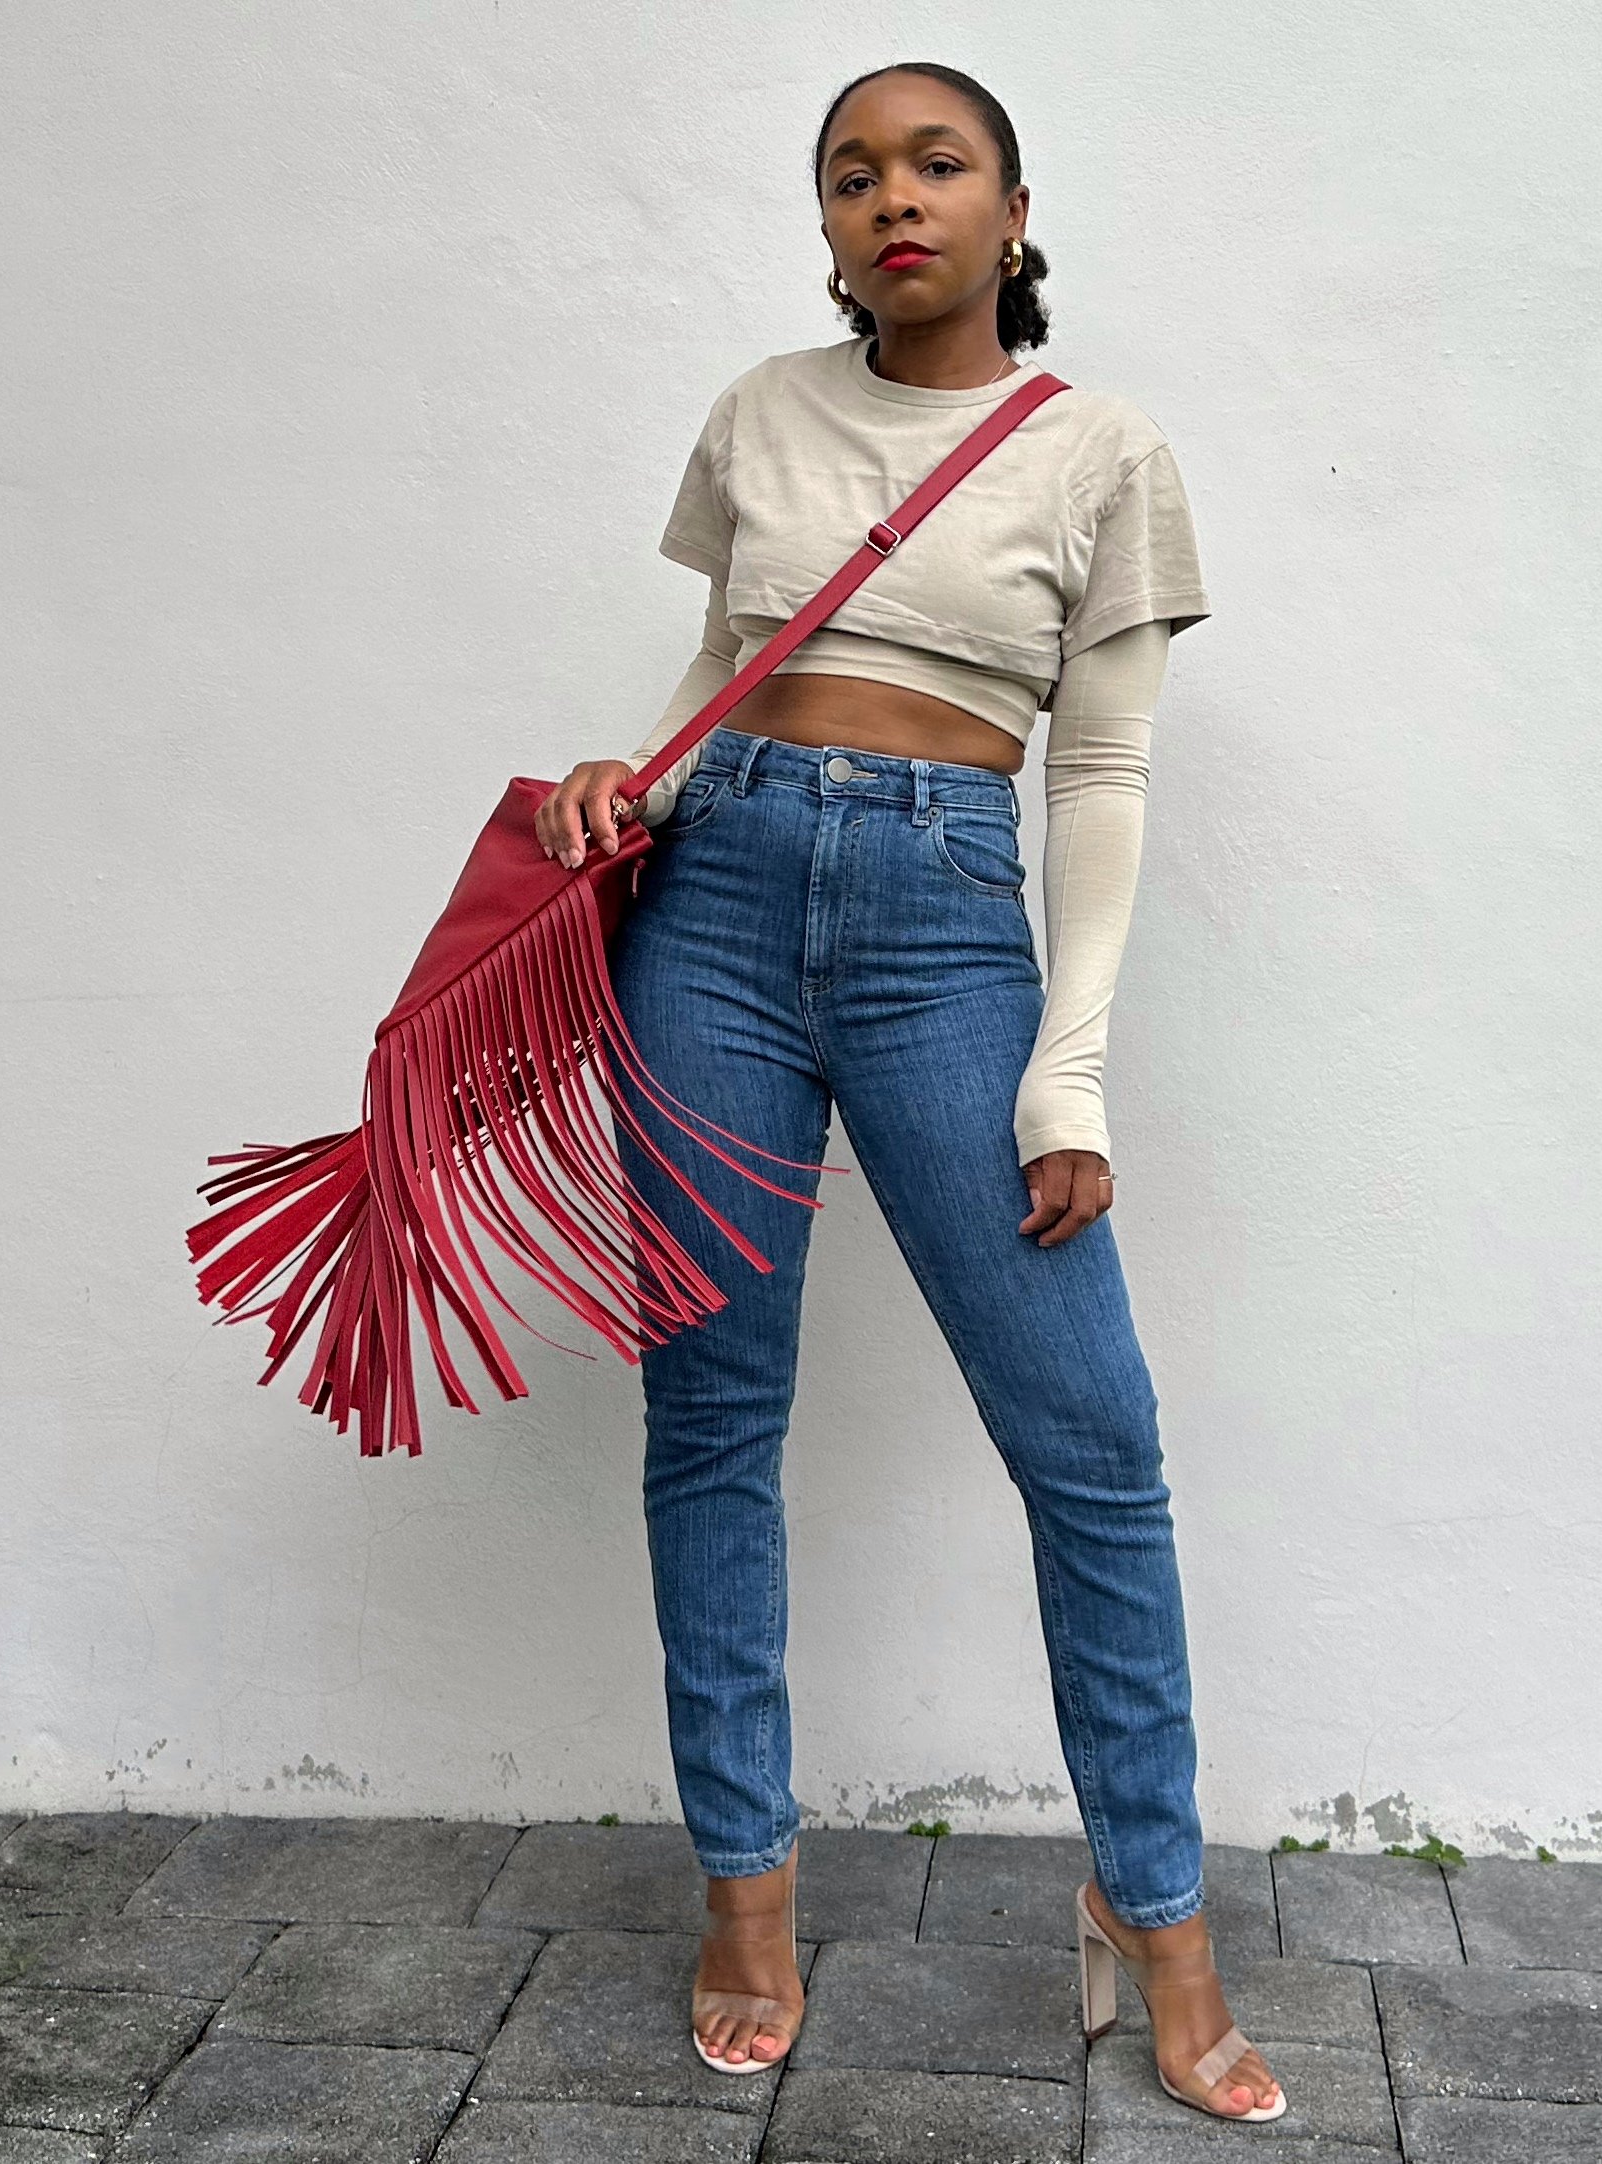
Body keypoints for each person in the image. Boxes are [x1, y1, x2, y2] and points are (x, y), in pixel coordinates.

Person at [533, 60, 1285, 2125]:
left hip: (944, 922)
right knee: (713, 1414)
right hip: (707, 909)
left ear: (1011, 211)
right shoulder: (761, 414)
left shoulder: (1100, 449)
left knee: (1091, 1444)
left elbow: (1099, 773)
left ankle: (1157, 1914)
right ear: (827, 225)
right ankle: (746, 1893)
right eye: (852, 171)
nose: (894, 196)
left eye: (936, 163)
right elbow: (729, 666)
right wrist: (632, 783)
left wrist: (1070, 1074)